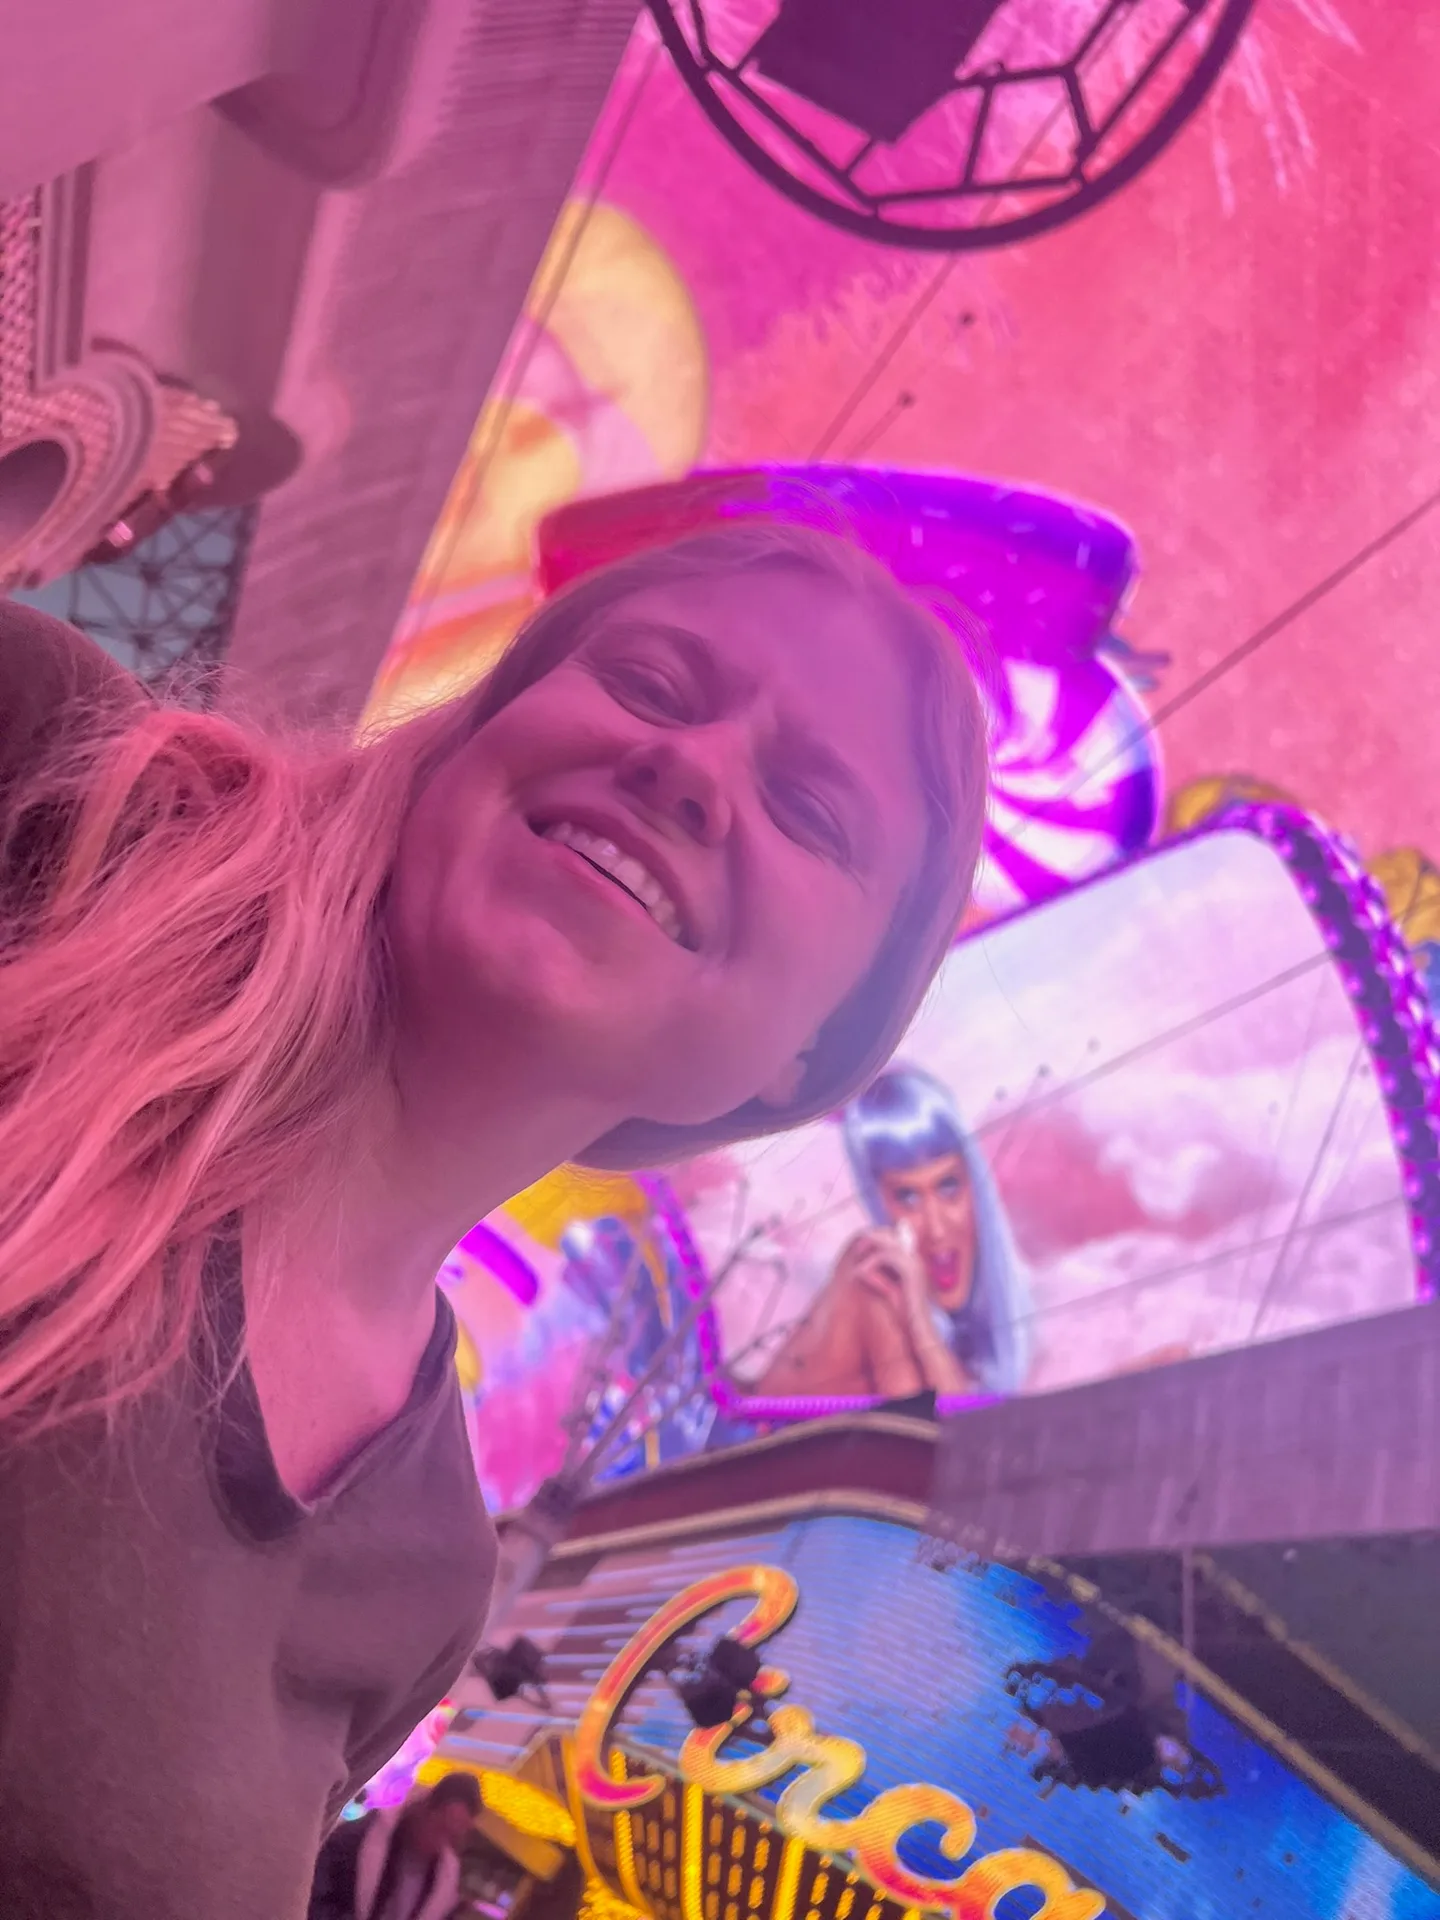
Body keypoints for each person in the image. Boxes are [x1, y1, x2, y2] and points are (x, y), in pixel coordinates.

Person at [0, 519, 988, 1916]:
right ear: (483, 730)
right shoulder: (60, 793)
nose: (693, 766)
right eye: (649, 683)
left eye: (811, 809)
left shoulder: (425, 1576)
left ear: (813, 1054)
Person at [755, 1065, 1028, 1400]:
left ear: (975, 1185)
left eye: (948, 1186)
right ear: (877, 1199)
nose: (936, 1228)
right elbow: (949, 1425)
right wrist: (919, 1319)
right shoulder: (874, 1271)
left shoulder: (1002, 1306)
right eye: (907, 1197)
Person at [308, 1772, 481, 1920]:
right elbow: (314, 1897)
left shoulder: (444, 1881)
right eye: (440, 1828)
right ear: (426, 1808)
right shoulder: (355, 1839)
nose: (441, 1842)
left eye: (452, 1837)